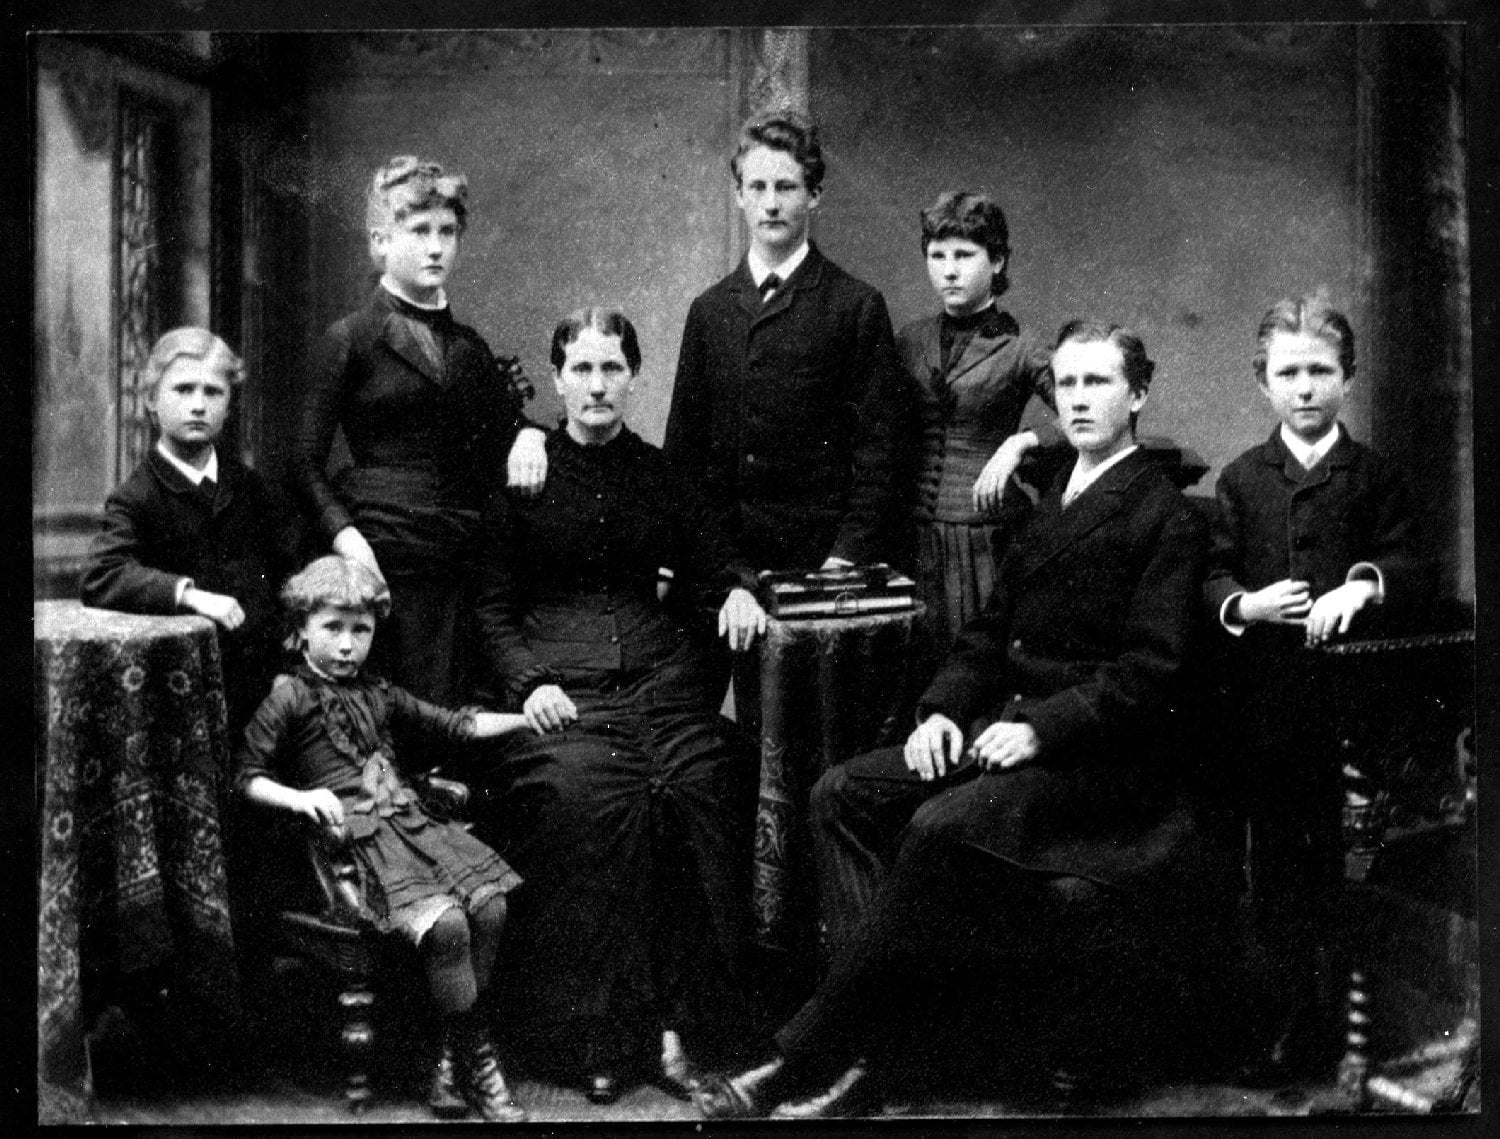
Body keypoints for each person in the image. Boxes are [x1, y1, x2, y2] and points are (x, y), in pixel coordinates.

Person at [695, 321, 1233, 1119]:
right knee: (841, 792)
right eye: (1068, 383)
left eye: (1099, 383)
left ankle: (805, 1055)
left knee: (938, 825)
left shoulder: (1166, 517)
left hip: (1096, 764)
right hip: (1005, 736)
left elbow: (1149, 675)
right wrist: (941, 710)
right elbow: (986, 633)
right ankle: (876, 1052)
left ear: (1139, 395)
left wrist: (1041, 728)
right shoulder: (1051, 494)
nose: (1079, 399)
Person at [469, 308, 768, 1106]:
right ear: (558, 377)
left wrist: (739, 590)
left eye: (612, 369)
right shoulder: (524, 474)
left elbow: (715, 561)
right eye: (582, 368)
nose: (597, 385)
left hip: (658, 684)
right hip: (561, 689)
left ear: (633, 375)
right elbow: (492, 608)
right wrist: (529, 683)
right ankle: (595, 1033)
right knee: (588, 797)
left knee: (709, 777)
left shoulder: (663, 474)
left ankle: (683, 1025)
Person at [1204, 294, 1420, 1079]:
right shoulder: (1241, 478)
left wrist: (1361, 585)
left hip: (1352, 709)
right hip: (1268, 705)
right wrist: (1247, 604)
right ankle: (1285, 1018)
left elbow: (1410, 560)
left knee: (1342, 864)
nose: (1304, 387)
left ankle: (1343, 1024)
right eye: (1288, 372)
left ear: (1347, 378)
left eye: (1321, 371)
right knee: (1274, 867)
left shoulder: (1374, 475)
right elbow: (1212, 573)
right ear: (1262, 381)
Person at [236, 555, 533, 1123]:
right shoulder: (289, 697)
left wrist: (526, 719)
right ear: (301, 630)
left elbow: (459, 725)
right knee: (448, 926)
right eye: (332, 627)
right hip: (348, 844)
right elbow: (247, 777)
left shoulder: (381, 693)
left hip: (408, 824)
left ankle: (448, 1058)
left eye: (361, 629)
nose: (348, 644)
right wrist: (301, 799)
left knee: (491, 907)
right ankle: (481, 1064)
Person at [291, 155, 548, 711]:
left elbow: (506, 429)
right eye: (419, 231)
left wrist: (529, 437)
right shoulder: (350, 339)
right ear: (381, 242)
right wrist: (348, 539)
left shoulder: (469, 348)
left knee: (452, 717)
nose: (436, 248)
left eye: (447, 232)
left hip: (457, 556)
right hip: (380, 553)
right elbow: (303, 463)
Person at [664, 110, 915, 575]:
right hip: (724, 569)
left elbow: (881, 453)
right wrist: (725, 573)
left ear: (814, 194)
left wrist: (846, 556)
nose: (771, 204)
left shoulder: (855, 306)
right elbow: (685, 457)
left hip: (822, 565)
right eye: (757, 187)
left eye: (786, 187)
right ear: (739, 195)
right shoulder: (709, 310)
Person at [81, 327, 302, 732]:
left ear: (229, 404)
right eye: (183, 390)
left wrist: (289, 669)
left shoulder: (253, 488)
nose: (198, 405)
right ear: (151, 399)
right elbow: (102, 574)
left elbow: (291, 579)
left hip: (265, 693)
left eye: (213, 392)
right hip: (180, 699)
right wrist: (190, 595)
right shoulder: (137, 497)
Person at [898, 190, 1069, 668]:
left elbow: (1086, 414)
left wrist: (1022, 442)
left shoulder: (1022, 346)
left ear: (996, 261)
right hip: (910, 539)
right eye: (938, 256)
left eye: (964, 255)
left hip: (982, 544)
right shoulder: (910, 339)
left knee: (972, 667)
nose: (949, 271)